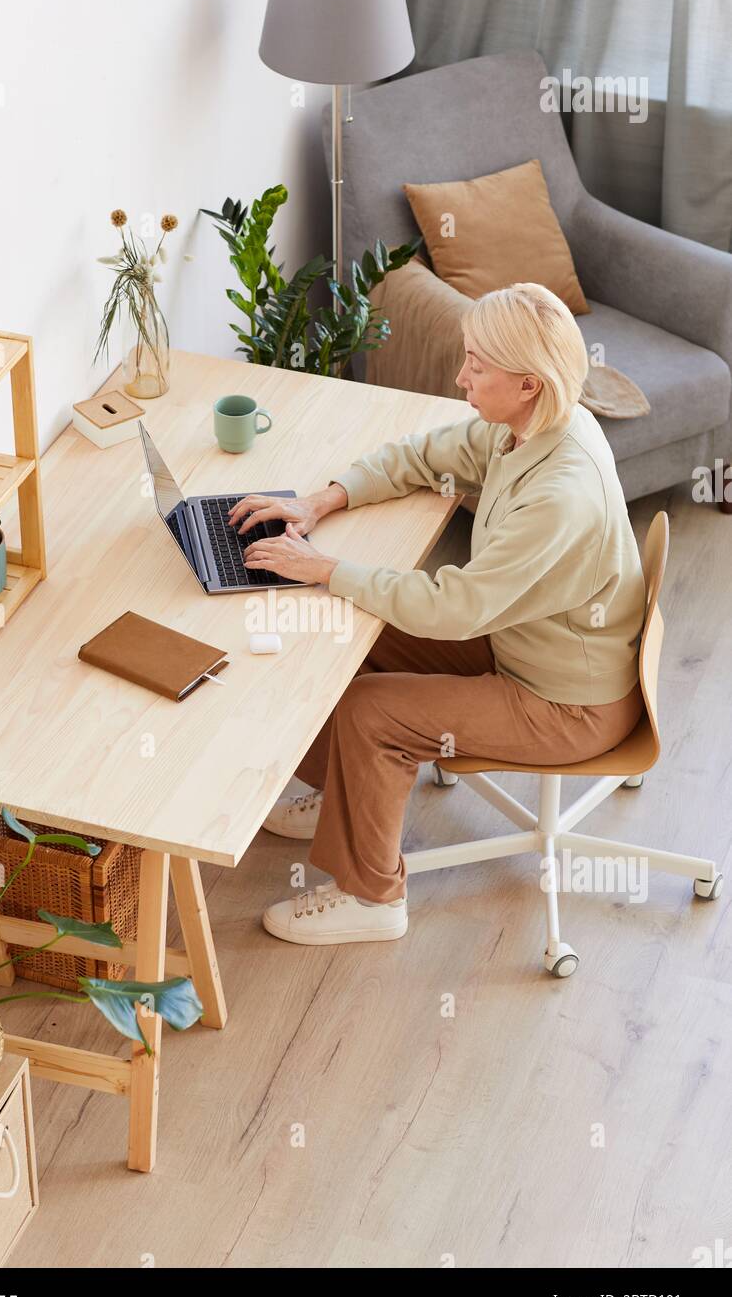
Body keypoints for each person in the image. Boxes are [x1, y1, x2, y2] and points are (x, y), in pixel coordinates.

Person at [228, 282, 646, 946]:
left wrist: (328, 567)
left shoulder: (559, 498)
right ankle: (345, 797)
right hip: (523, 643)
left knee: (372, 708)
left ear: (530, 383)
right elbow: (427, 455)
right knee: (356, 627)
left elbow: (456, 608)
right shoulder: (529, 429)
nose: (461, 375)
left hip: (566, 702)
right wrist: (322, 502)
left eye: (478, 364)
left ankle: (373, 899)